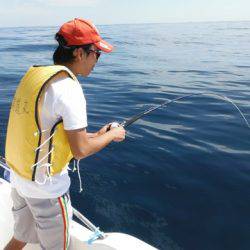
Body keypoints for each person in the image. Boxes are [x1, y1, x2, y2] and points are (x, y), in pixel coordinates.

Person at [4, 18, 126, 250]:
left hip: (21, 181)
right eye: (96, 54)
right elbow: (79, 151)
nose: (97, 61)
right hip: (46, 191)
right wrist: (112, 135)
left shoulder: (38, 77)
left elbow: (48, 135)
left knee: (19, 239)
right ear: (80, 53)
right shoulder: (69, 89)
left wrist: (97, 134)